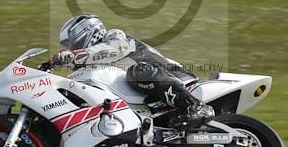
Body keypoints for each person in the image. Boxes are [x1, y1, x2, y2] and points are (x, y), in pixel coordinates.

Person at [51, 14, 215, 125]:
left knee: (138, 72)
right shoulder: (94, 66)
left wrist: (77, 55)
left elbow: (112, 49)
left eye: (70, 44)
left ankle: (196, 107)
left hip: (176, 77)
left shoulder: (114, 37)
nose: (70, 49)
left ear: (84, 33)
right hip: (145, 99)